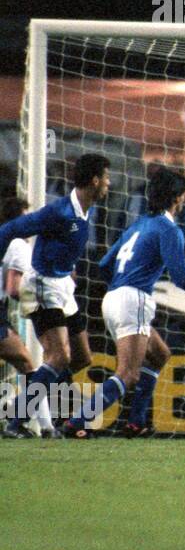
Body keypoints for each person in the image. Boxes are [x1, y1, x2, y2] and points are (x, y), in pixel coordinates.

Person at [63, 167, 185, 437]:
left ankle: (136, 422)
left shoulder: (138, 225)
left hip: (113, 298)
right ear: (175, 198)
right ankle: (76, 423)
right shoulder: (169, 229)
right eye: (182, 195)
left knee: (160, 354)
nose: (184, 200)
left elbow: (104, 264)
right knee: (128, 374)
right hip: (133, 300)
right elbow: (183, 279)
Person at [0, 154, 110, 438]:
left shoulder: (83, 212)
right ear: (95, 180)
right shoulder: (59, 212)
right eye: (106, 178)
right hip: (42, 285)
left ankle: (36, 396)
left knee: (81, 357)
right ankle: (17, 419)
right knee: (59, 356)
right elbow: (10, 229)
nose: (109, 184)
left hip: (63, 286)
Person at [0, 197, 38, 429]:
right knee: (26, 362)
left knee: (24, 362)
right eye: (27, 218)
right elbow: (14, 289)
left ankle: (21, 422)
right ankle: (22, 422)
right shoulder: (17, 244)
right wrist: (38, 300)